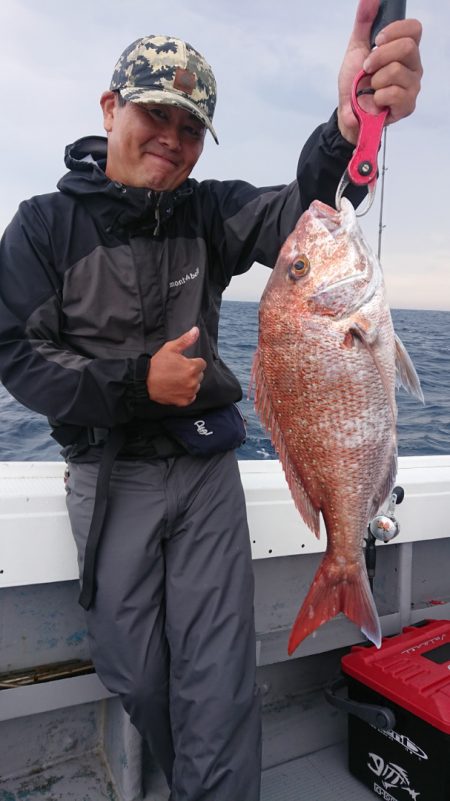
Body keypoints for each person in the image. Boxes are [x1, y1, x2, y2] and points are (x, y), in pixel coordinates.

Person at [0, 2, 422, 799]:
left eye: (190, 126)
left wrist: (345, 126)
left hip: (204, 475)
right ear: (109, 108)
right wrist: (133, 385)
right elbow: (15, 354)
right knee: (133, 666)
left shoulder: (207, 209)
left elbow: (301, 206)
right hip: (106, 477)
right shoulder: (42, 227)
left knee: (220, 678)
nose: (171, 135)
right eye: (154, 113)